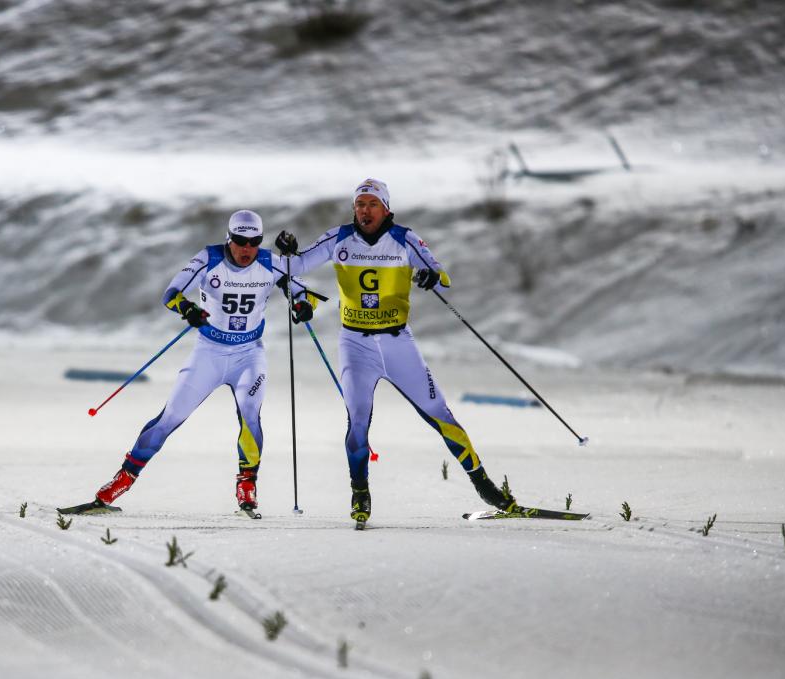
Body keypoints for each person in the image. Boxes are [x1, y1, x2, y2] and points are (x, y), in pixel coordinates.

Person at [275, 178, 515, 527]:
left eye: (372, 204)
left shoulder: (405, 239)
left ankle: (484, 485)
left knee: (439, 413)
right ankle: (360, 492)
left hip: (397, 343)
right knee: (357, 420)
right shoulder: (338, 238)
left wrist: (431, 277)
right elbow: (291, 269)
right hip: (355, 344)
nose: (365, 210)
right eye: (359, 205)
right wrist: (286, 250)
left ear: (386, 208)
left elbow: (442, 274)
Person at [60, 210, 310, 517]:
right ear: (228, 239)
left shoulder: (270, 261)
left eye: (254, 242)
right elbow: (171, 293)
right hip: (209, 353)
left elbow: (295, 288)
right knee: (169, 419)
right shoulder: (209, 258)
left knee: (250, 416)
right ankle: (118, 484)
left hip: (249, 355)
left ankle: (247, 485)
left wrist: (301, 304)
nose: (247, 249)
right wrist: (187, 309)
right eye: (241, 241)